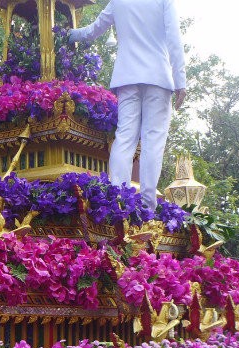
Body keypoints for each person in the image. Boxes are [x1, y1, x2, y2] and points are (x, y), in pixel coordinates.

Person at [70, 0, 186, 211]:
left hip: (127, 78)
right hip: (158, 77)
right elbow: (174, 39)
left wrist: (68, 34)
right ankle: (147, 205)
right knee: (153, 141)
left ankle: (118, 199)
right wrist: (181, 81)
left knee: (124, 138)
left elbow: (93, 31)